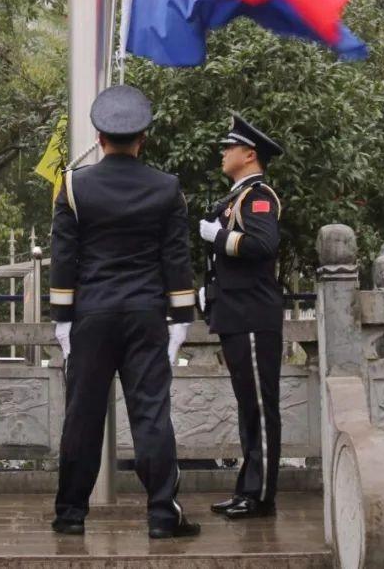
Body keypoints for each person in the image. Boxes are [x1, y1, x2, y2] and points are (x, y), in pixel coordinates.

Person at [49, 84, 201, 540]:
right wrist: (180, 319)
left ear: (98, 136)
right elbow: (176, 259)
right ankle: (161, 513)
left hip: (91, 315)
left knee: (83, 413)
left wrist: (62, 319)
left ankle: (71, 513)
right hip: (145, 313)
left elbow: (64, 258)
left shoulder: (74, 186)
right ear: (143, 139)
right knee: (151, 413)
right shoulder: (167, 188)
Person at [198, 112, 284, 520]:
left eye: (229, 147)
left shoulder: (258, 195)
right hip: (236, 312)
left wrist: (219, 237)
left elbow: (263, 245)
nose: (224, 153)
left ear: (249, 155)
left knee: (259, 408)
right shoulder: (235, 198)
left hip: (252, 314)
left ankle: (261, 495)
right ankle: (248, 489)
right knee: (248, 405)